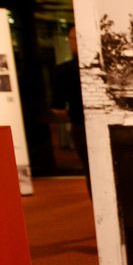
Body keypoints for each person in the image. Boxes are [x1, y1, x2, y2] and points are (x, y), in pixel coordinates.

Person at [51, 26, 89, 192]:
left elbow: (58, 108)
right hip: (87, 125)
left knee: (91, 169)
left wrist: (72, 113)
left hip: (81, 125)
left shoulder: (64, 71)